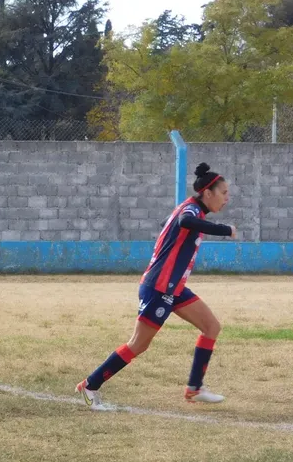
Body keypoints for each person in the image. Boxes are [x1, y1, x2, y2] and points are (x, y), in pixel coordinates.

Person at [77, 163, 236, 408]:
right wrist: (225, 230)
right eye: (223, 193)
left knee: (211, 326)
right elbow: (184, 221)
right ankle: (90, 385)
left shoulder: (191, 208)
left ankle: (194, 388)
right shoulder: (191, 211)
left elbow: (171, 223)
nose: (227, 198)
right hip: (160, 287)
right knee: (139, 344)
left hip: (174, 287)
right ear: (208, 193)